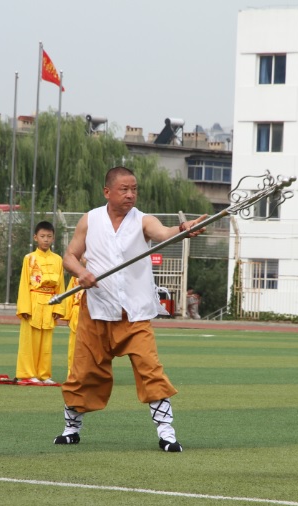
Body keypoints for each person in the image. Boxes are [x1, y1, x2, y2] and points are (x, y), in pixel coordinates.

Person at [54, 166, 206, 452]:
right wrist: (81, 273)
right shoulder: (90, 219)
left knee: (151, 370)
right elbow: (70, 256)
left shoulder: (143, 220)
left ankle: (167, 434)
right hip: (96, 310)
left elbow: (164, 233)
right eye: (124, 189)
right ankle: (71, 429)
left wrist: (183, 230)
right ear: (107, 191)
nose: (130, 194)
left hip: (134, 313)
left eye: (134, 189)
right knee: (83, 373)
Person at [15, 221, 66, 384]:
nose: (46, 239)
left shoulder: (58, 259)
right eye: (42, 236)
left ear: (53, 238)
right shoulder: (29, 258)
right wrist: (24, 307)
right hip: (33, 302)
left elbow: (60, 285)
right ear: (35, 237)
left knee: (46, 342)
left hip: (50, 302)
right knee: (29, 341)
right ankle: (27, 373)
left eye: (49, 236)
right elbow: (24, 283)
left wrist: (59, 307)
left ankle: (44, 374)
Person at [62, 260, 86, 376]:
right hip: (77, 312)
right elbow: (69, 296)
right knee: (74, 347)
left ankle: (88, 375)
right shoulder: (75, 276)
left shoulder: (100, 274)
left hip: (92, 313)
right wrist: (67, 316)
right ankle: (72, 374)